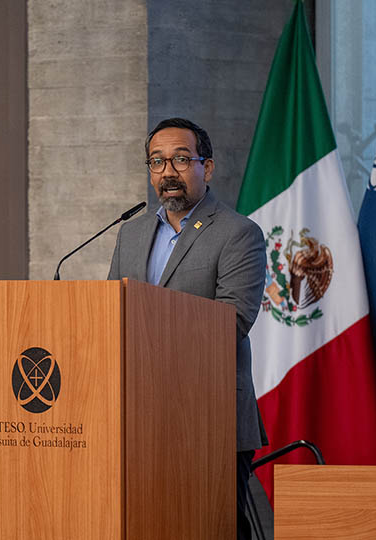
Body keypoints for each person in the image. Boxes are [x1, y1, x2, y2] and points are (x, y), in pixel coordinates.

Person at [108, 117, 267, 540]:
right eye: (157, 162)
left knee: (210, 528)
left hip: (210, 414)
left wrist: (150, 337)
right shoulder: (131, 233)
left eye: (181, 159)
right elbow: (110, 314)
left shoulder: (238, 234)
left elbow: (232, 321)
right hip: (140, 416)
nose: (168, 172)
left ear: (206, 167)